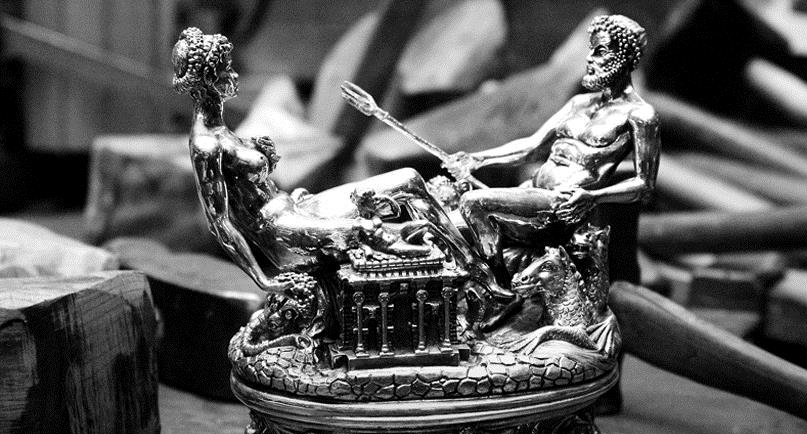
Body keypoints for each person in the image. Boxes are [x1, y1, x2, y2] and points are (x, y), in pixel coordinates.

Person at [172, 28, 508, 296]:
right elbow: (220, 225)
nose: (233, 75)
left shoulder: (224, 131)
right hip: (281, 233)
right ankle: (466, 283)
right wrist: (263, 280)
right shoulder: (206, 144)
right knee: (369, 231)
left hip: (296, 206)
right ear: (209, 80)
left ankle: (477, 270)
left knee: (408, 180)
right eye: (226, 69)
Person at [444, 15, 660, 274]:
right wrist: (477, 159)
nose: (590, 59)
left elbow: (644, 185)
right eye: (590, 50)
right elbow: (532, 146)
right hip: (530, 194)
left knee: (473, 202)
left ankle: (494, 283)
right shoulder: (579, 103)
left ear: (625, 58)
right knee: (446, 225)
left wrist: (593, 197)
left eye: (600, 52)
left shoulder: (640, 115)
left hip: (559, 210)